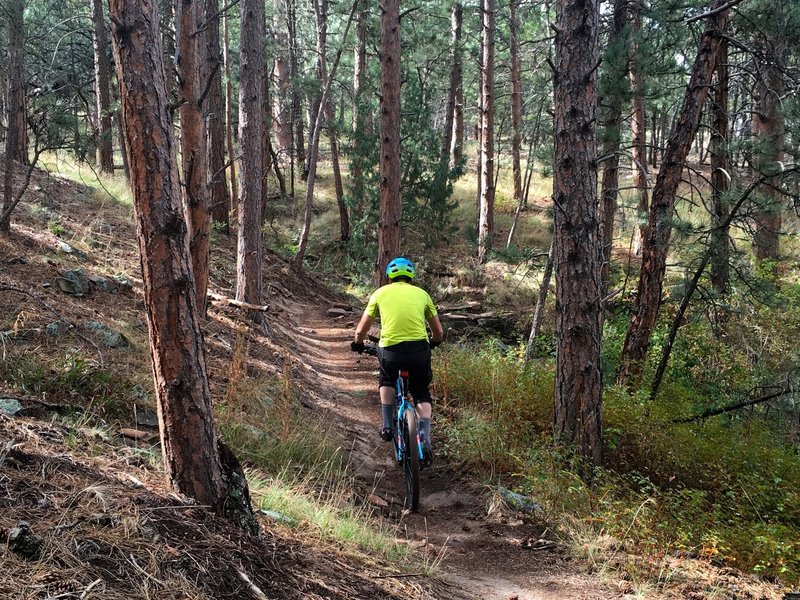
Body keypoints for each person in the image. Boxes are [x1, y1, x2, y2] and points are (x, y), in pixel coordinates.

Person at [351, 257, 444, 465]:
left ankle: (387, 425)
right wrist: (435, 342)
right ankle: (425, 438)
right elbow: (438, 331)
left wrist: (357, 343)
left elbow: (361, 329)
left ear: (389, 276)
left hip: (390, 351)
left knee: (386, 380)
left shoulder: (380, 293)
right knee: (420, 391)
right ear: (411, 276)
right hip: (419, 350)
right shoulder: (422, 294)